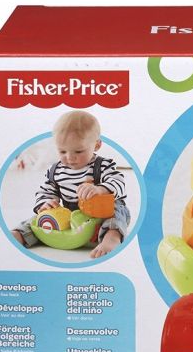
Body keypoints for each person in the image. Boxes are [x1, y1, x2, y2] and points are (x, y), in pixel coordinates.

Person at [11, 110, 130, 258]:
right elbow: (46, 191)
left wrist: (100, 189)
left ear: (97, 145)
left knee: (116, 212)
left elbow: (118, 182)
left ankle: (112, 237)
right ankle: (21, 234)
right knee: (37, 219)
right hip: (72, 214)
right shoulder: (55, 171)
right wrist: (46, 203)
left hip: (102, 212)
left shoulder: (102, 165)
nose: (70, 157)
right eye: (62, 151)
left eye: (78, 151)